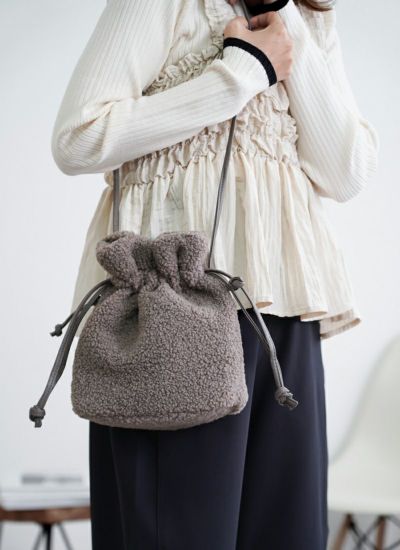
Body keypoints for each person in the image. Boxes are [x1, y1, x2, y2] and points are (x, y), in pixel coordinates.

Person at [50, 0, 379, 548]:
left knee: (290, 535)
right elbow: (77, 138)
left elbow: (345, 173)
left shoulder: (309, 16)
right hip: (171, 305)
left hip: (283, 311)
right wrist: (241, 73)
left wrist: (289, 26)